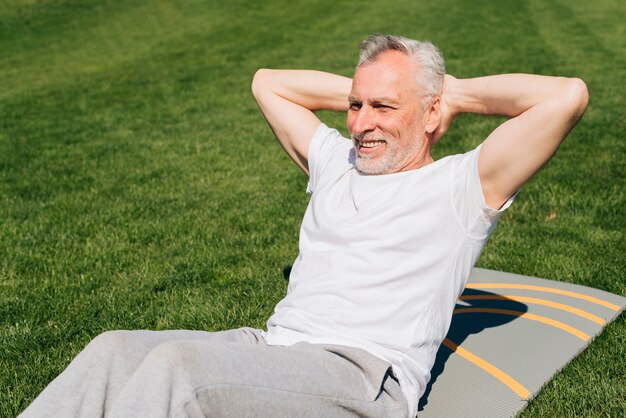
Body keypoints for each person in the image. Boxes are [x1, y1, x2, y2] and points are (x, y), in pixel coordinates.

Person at [19, 34, 588, 418]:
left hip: (363, 377)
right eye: (355, 105)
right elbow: (268, 81)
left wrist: (454, 95)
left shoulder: (464, 187)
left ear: (431, 112)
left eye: (384, 108)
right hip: (274, 349)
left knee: (178, 373)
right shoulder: (336, 161)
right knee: (111, 350)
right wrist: (377, 90)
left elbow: (566, 96)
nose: (363, 124)